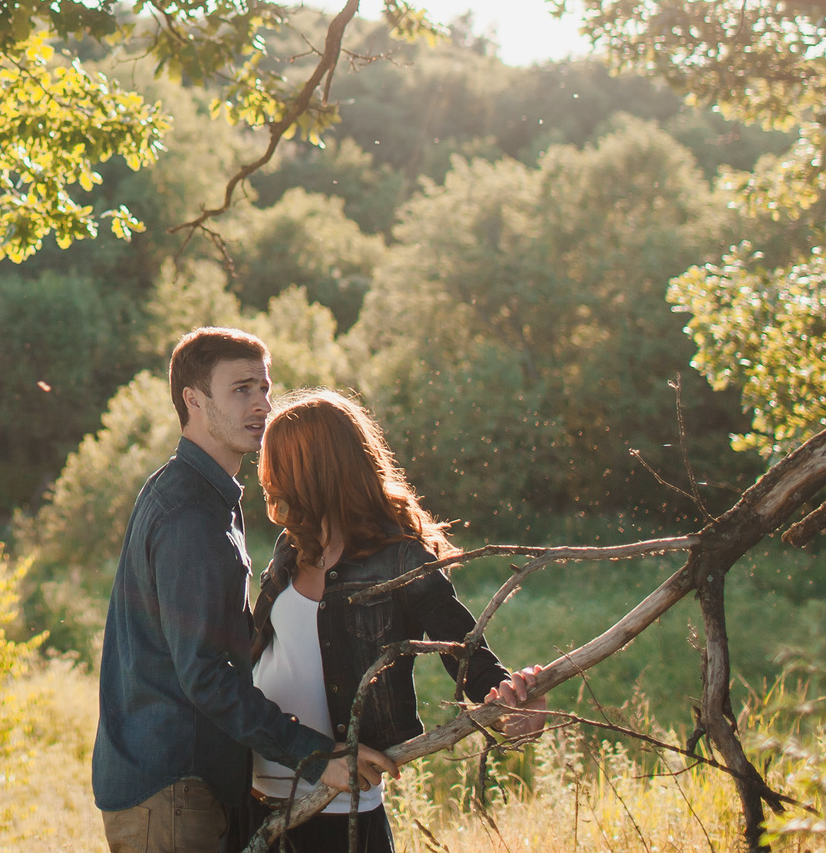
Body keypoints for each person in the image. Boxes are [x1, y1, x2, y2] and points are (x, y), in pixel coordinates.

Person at [92, 327, 362, 853]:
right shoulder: (190, 514)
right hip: (172, 791)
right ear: (193, 400)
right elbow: (206, 675)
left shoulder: (198, 493)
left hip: (178, 786)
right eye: (241, 389)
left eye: (264, 388)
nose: (262, 404)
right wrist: (317, 754)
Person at [242, 389, 549, 853]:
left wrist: (510, 697)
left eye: (279, 463)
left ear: (318, 467)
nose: (269, 479)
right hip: (256, 790)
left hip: (336, 803)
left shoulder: (401, 558)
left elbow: (465, 650)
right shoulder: (291, 547)